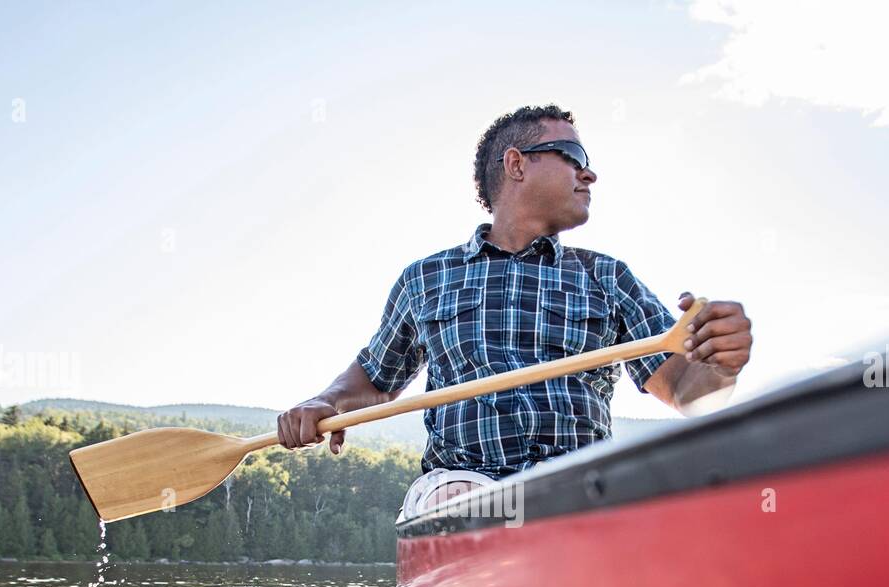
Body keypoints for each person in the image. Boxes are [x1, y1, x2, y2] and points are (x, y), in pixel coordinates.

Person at [277, 104, 753, 517]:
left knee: (628, 497)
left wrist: (719, 365)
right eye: (576, 158)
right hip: (462, 486)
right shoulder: (426, 278)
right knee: (462, 497)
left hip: (578, 487)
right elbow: (375, 380)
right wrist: (327, 401)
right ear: (516, 164)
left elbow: (689, 392)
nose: (589, 175)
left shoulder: (608, 277)